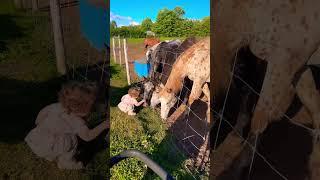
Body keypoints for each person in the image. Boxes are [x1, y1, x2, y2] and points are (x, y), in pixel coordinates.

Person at [25, 81, 109, 169]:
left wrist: (38, 124)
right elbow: (87, 136)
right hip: (50, 146)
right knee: (72, 140)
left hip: (36, 139)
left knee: (60, 138)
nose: (93, 109)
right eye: (92, 107)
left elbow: (42, 114)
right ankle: (66, 162)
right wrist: (104, 124)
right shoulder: (77, 121)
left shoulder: (56, 106)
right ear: (83, 108)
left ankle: (50, 153)